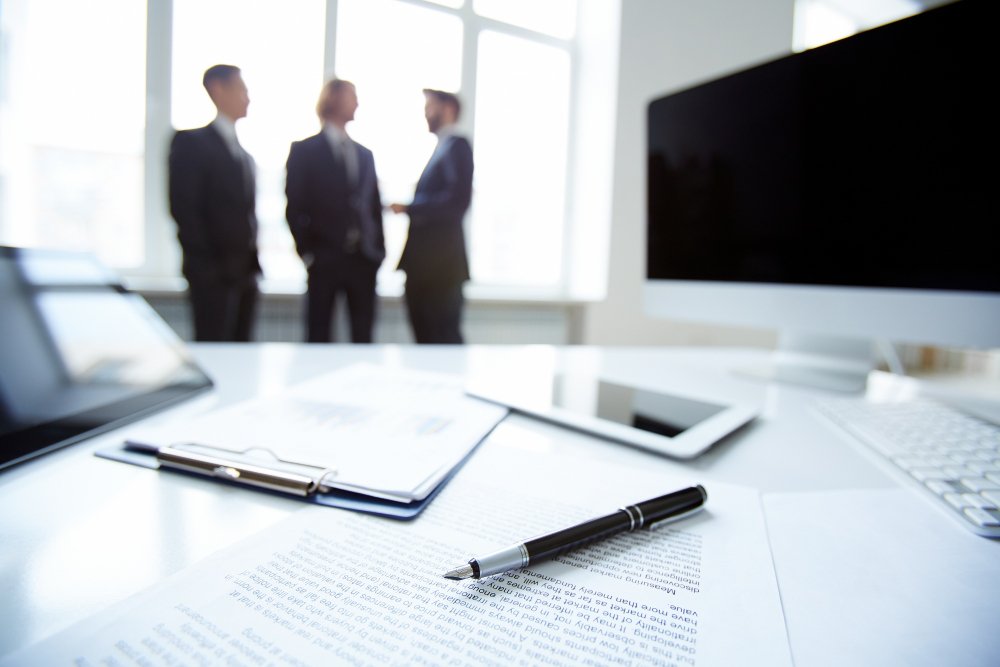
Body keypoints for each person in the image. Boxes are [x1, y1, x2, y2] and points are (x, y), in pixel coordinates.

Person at [285, 79, 385, 343]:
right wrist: (307, 252)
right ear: (333, 100)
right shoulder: (305, 151)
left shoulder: (365, 155)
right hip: (324, 258)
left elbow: (373, 206)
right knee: (318, 333)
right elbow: (294, 206)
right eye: (352, 96)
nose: (357, 103)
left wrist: (378, 252)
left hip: (363, 260)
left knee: (363, 335)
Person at [168, 64, 260, 342]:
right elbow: (184, 208)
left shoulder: (244, 154)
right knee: (215, 346)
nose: (247, 98)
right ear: (218, 89)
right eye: (241, 89)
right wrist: (207, 267)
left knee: (242, 355)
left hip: (246, 274)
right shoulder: (191, 143)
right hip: (212, 274)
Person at [390, 89, 473, 344]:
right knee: (425, 336)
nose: (426, 114)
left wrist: (411, 208)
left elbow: (457, 201)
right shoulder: (442, 148)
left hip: (440, 266)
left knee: (442, 337)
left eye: (430, 107)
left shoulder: (457, 146)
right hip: (426, 265)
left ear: (448, 109)